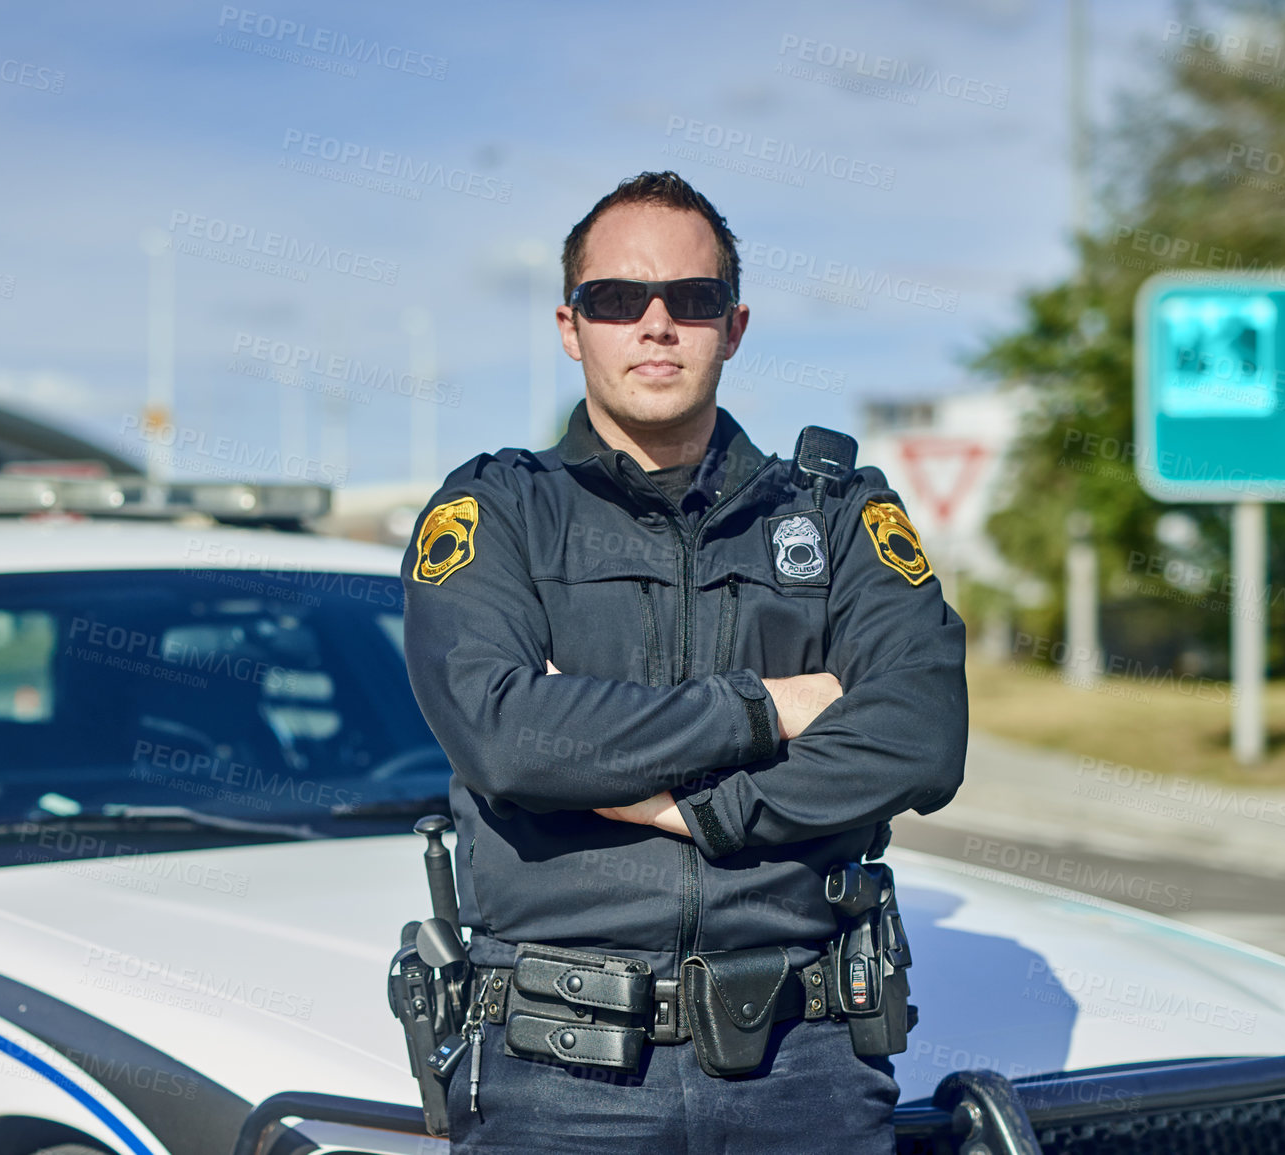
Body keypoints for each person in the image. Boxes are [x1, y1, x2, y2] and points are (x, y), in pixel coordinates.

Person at [400, 170, 968, 1153]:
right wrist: (767, 711)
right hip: (561, 1079)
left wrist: (702, 810)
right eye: (619, 299)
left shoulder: (835, 517)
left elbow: (920, 733)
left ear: (733, 325)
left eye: (691, 300)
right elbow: (507, 739)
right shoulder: (498, 515)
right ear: (572, 325)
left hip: (809, 1067)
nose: (656, 324)